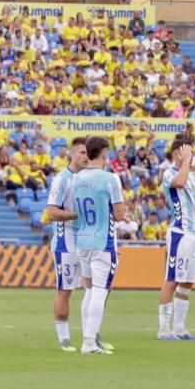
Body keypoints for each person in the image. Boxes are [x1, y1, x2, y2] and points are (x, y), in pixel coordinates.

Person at [70, 136, 127, 355]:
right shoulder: (110, 179)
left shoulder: (76, 178)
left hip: (83, 239)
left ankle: (87, 338)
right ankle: (89, 342)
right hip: (103, 241)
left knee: (89, 290)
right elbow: (119, 214)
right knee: (100, 292)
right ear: (104, 154)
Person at [43, 137, 90, 351]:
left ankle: (91, 336)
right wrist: (75, 215)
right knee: (65, 290)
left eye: (87, 152)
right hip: (66, 240)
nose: (85, 156)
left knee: (94, 289)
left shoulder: (91, 179)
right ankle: (64, 338)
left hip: (89, 240)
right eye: (81, 152)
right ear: (71, 153)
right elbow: (51, 212)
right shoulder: (62, 179)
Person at [157, 135, 195, 341]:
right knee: (172, 279)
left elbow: (192, 197)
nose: (190, 156)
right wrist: (186, 162)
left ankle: (179, 328)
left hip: (194, 233)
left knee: (188, 281)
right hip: (180, 232)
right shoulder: (169, 173)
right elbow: (179, 182)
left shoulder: (191, 175)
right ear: (177, 154)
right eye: (187, 152)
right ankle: (163, 329)